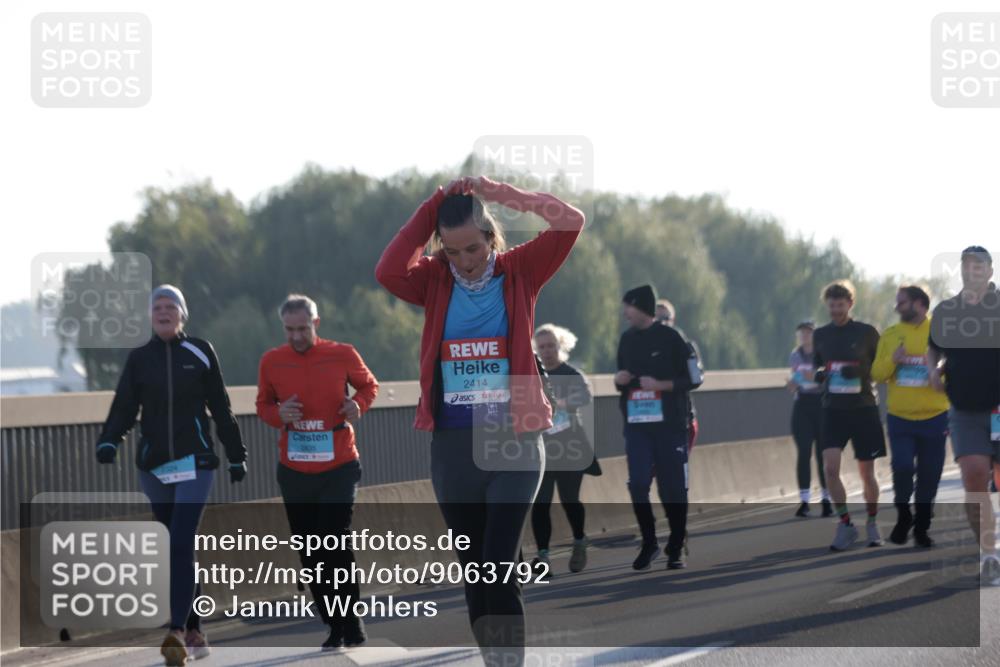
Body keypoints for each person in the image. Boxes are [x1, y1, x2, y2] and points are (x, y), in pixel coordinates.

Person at [375, 176, 584, 662]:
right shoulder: (433, 279)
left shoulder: (522, 270)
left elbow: (571, 221)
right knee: (476, 573)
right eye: (452, 252)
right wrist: (434, 205)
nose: (464, 261)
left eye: (472, 248)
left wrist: (497, 192)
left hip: (514, 441)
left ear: (491, 237)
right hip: (454, 447)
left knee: (498, 566)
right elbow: (387, 270)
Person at [96, 285, 247, 666]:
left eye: (170, 306)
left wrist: (236, 455)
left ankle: (176, 631)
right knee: (174, 547)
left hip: (196, 462)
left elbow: (221, 407)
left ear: (182, 314)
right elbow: (125, 406)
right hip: (155, 467)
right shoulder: (139, 359)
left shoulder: (200, 351)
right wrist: (110, 440)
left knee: (180, 540)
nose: (163, 312)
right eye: (157, 307)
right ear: (150, 316)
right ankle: (196, 631)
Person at [256, 294, 379, 649]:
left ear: (316, 324)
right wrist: (279, 415)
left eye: (303, 329)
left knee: (334, 540)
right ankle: (334, 623)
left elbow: (369, 386)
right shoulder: (272, 361)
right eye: (289, 329)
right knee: (310, 551)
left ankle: (350, 620)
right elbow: (263, 404)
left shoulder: (342, 354)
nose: (296, 336)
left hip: (339, 465)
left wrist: (358, 404)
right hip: (294, 469)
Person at [927, 246, 1000, 584]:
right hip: (964, 407)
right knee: (974, 476)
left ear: (990, 270)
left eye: (979, 265)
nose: (972, 270)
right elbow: (933, 348)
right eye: (967, 265)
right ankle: (989, 553)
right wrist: (933, 370)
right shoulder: (947, 311)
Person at [616, 284, 694, 571]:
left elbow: (693, 378)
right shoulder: (627, 339)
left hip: (670, 424)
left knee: (672, 487)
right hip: (637, 424)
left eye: (629, 306)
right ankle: (649, 542)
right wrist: (619, 380)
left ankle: (676, 544)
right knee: (637, 483)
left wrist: (661, 385)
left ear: (642, 308)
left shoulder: (672, 338)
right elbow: (621, 378)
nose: (625, 312)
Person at [871, 285, 949, 547]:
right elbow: (877, 374)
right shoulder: (891, 334)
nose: (897, 307)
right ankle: (904, 514)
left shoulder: (940, 333)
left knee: (930, 474)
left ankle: (922, 527)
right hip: (900, 417)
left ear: (919, 304)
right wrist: (893, 360)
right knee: (902, 467)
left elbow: (957, 368)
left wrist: (939, 371)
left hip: (935, 416)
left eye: (902, 303)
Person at [810, 280, 885, 551]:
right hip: (833, 409)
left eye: (840, 305)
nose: (836, 310)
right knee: (830, 469)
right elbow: (817, 365)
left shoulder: (866, 332)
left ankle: (873, 522)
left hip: (863, 407)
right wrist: (820, 374)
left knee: (867, 473)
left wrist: (862, 373)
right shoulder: (820, 335)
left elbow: (881, 368)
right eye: (832, 306)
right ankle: (845, 524)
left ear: (850, 304)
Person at [530, 323, 599, 576]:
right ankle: (543, 556)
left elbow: (585, 397)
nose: (547, 351)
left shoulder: (571, 374)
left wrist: (562, 403)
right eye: (542, 347)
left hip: (570, 446)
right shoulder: (532, 375)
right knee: (540, 503)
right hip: (542, 448)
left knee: (570, 499)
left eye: (551, 346)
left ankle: (579, 541)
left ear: (560, 346)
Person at [786, 321, 834, 518]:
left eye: (808, 333)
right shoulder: (795, 355)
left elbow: (829, 378)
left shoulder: (824, 354)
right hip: (802, 405)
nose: (805, 336)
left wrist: (813, 375)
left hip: (821, 404)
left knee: (823, 454)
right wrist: (794, 382)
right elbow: (795, 380)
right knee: (804, 452)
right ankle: (804, 501)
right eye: (801, 333)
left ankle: (826, 499)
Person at [655, 298, 701, 453]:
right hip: (651, 422)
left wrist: (668, 385)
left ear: (673, 320)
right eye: (657, 319)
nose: (661, 323)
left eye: (665, 318)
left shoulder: (685, 346)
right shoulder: (641, 346)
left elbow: (696, 378)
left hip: (680, 420)